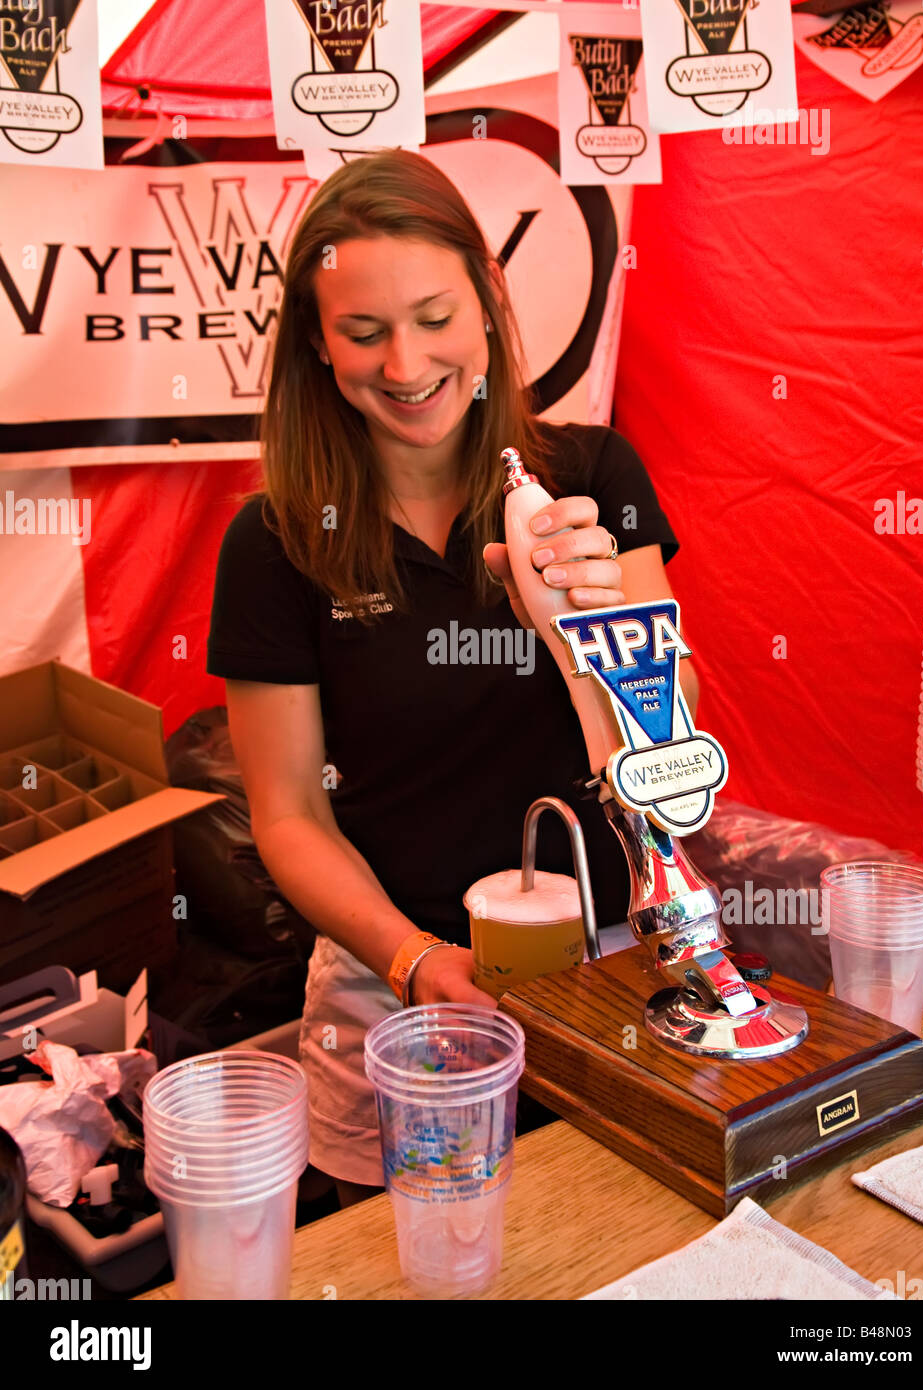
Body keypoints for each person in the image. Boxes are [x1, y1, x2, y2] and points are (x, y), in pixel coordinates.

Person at [207, 150, 698, 1208]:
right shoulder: (276, 542)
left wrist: (592, 623)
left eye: (433, 317)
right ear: (314, 342)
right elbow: (288, 816)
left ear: (486, 300)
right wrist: (419, 964)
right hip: (390, 988)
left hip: (610, 963)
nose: (404, 363)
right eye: (363, 330)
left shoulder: (590, 480)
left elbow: (670, 759)